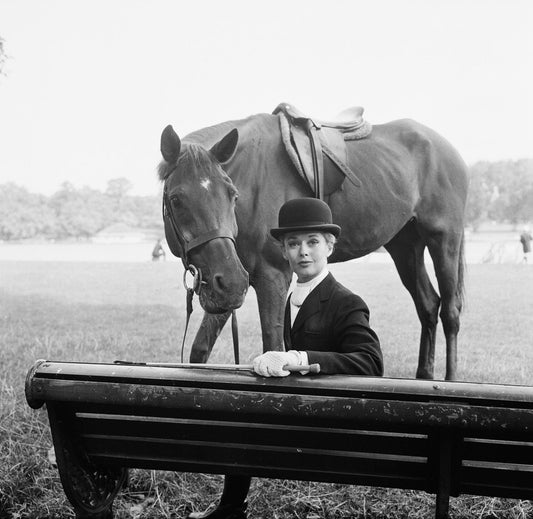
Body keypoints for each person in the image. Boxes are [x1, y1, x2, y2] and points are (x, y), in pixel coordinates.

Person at [187, 198, 383, 519]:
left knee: (243, 424)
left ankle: (231, 507)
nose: (303, 251)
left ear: (330, 247)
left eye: (313, 242)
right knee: (242, 413)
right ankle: (231, 507)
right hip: (301, 413)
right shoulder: (292, 295)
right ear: (283, 251)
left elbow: (371, 363)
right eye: (293, 243)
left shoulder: (347, 302)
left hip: (331, 424)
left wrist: (297, 357)